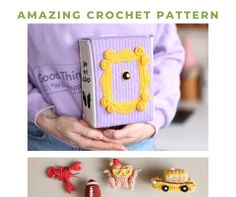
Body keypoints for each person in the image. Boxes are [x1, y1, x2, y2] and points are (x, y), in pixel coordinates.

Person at [28, 24, 184, 151]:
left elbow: (167, 55)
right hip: (47, 139)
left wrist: (152, 120)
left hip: (132, 141)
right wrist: (46, 119)